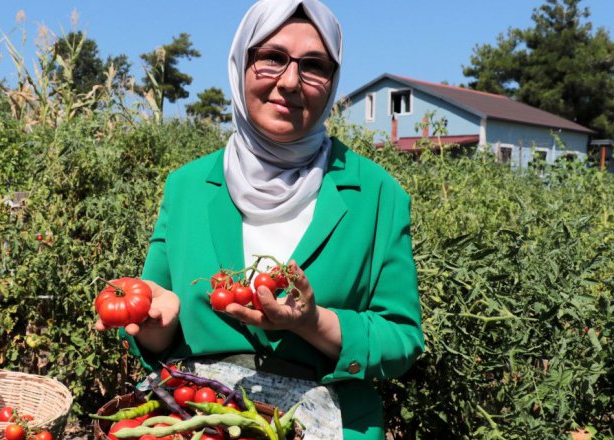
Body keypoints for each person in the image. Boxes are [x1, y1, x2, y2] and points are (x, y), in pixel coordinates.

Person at [96, 0, 423, 438]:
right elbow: (154, 335)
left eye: (314, 66)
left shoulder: (377, 194)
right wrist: (159, 327)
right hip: (196, 419)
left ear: (333, 81)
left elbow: (401, 341)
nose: (290, 81)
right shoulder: (187, 187)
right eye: (271, 58)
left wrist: (313, 323)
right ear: (240, 63)